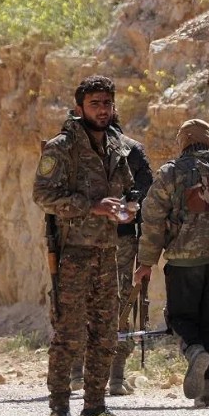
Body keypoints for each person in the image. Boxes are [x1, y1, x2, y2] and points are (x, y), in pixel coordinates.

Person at [34, 75, 138, 416]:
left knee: (106, 334)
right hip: (73, 253)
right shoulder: (62, 147)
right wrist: (91, 206)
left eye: (107, 103)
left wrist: (127, 208)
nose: (103, 110)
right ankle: (59, 408)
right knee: (69, 334)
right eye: (95, 104)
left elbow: (126, 189)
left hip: (106, 251)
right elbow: (43, 196)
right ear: (79, 108)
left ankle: (94, 408)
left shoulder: (116, 145)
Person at [133, 119, 209, 408]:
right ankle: (207, 392)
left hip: (182, 262)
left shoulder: (170, 173)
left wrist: (146, 261)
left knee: (181, 318)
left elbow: (152, 219)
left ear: (183, 142)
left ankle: (194, 351)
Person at [71, 115, 152, 396]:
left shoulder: (72, 150)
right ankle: (116, 377)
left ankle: (77, 372)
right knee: (120, 301)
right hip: (121, 239)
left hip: (81, 239)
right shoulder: (132, 149)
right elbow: (146, 194)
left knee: (80, 300)